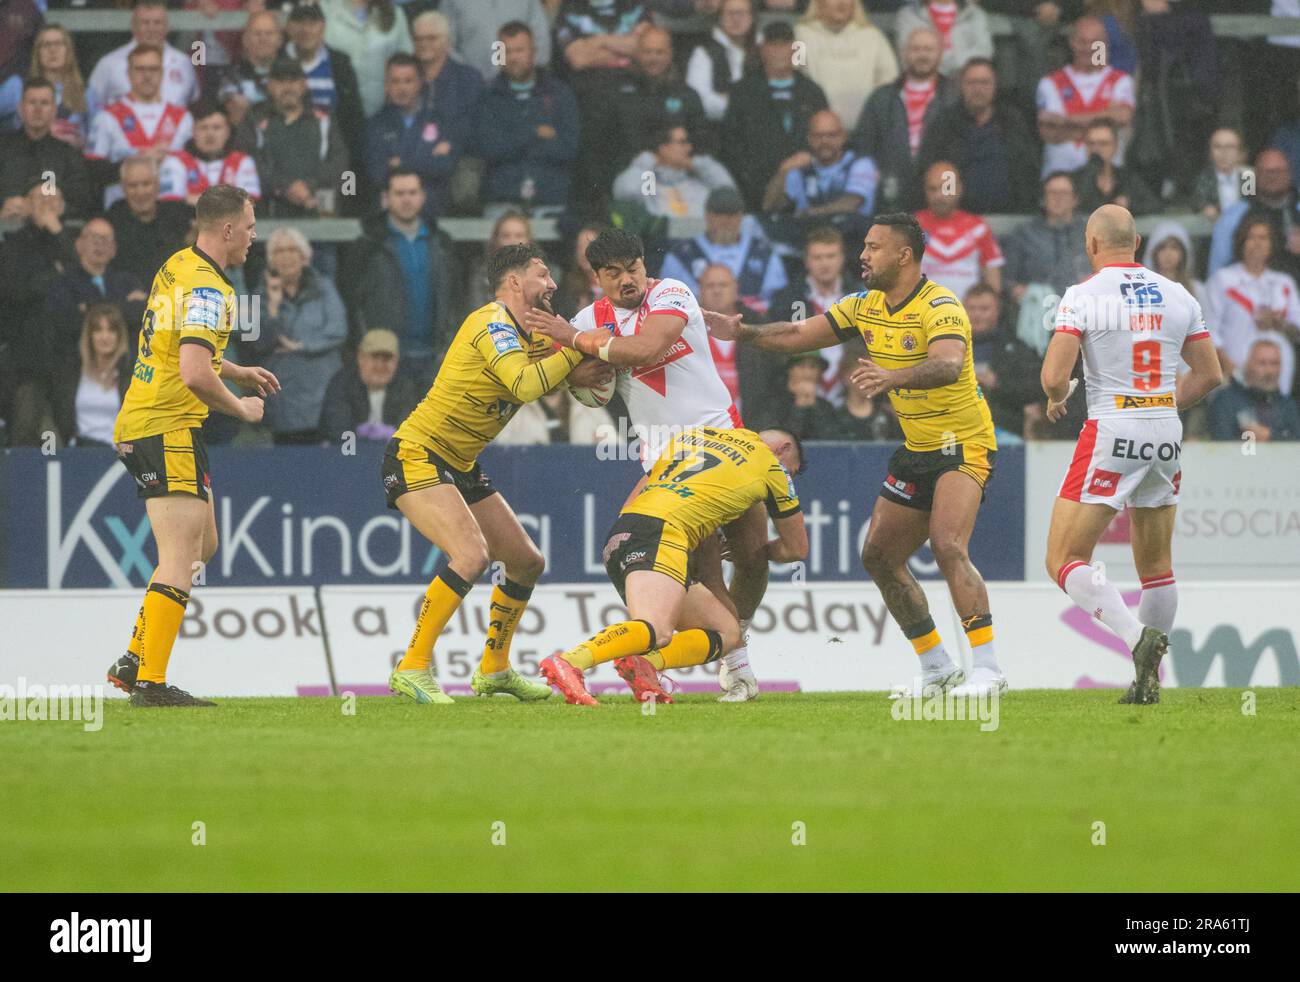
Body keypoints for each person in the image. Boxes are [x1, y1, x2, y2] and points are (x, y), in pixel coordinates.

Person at [703, 212, 1009, 696]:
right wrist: (744, 333)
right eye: (863, 246)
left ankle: (989, 670)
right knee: (879, 556)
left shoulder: (941, 305)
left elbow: (949, 364)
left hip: (964, 445)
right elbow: (800, 334)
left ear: (904, 255)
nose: (862, 256)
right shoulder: (865, 306)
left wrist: (894, 377)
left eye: (873, 247)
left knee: (948, 544)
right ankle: (936, 667)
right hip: (916, 448)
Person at [524, 228, 779, 703]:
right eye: (614, 273)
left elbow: (646, 349)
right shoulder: (587, 319)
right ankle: (734, 663)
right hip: (666, 462)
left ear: (645, 265)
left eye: (633, 268)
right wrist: (580, 369)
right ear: (596, 276)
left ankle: (727, 639)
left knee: (753, 557)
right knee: (703, 571)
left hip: (722, 441)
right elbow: (560, 377)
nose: (627, 280)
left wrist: (577, 339)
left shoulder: (671, 293)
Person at [380, 243, 613, 704]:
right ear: (514, 282)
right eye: (542, 275)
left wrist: (584, 365)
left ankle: (494, 668)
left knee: (527, 561)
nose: (551, 284)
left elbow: (561, 373)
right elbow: (526, 383)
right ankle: (411, 667)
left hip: (460, 464)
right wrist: (573, 346)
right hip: (417, 453)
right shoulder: (491, 323)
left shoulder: (535, 333)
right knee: (470, 556)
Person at [105, 185, 281, 707]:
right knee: (180, 555)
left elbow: (183, 347)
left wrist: (236, 368)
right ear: (226, 229)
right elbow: (192, 372)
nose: (254, 237)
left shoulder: (177, 266)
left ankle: (135, 658)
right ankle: (151, 684)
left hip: (150, 420)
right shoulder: (210, 289)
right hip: (166, 425)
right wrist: (241, 406)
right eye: (249, 227)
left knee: (203, 546)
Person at [1041, 203, 1223, 705]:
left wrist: (1057, 397)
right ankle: (1149, 679)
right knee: (1158, 567)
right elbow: (1210, 375)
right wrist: (1161, 404)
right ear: (1137, 243)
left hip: (1111, 425)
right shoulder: (1179, 294)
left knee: (1063, 558)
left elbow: (1055, 376)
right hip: (1165, 428)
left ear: (1092, 245)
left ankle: (1135, 638)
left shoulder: (1082, 296)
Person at [540, 426, 807, 706]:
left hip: (627, 532)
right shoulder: (773, 468)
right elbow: (796, 548)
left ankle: (644, 664)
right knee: (657, 629)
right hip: (661, 536)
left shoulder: (693, 436)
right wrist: (755, 551)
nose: (790, 477)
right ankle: (569, 661)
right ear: (784, 449)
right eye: (794, 471)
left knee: (726, 632)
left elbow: (656, 492)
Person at [343, 169, 457, 375]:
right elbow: (353, 303)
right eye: (400, 193)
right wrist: (366, 346)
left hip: (435, 357)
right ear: (386, 198)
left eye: (412, 193)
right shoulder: (368, 245)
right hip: (385, 358)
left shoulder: (442, 243)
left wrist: (449, 343)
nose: (407, 200)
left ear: (422, 196)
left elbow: (454, 297)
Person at [247, 227, 348, 444]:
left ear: (304, 256)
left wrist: (302, 346)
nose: (286, 256)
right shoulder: (258, 295)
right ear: (271, 260)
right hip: (283, 397)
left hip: (323, 392)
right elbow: (255, 341)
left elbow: (338, 330)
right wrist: (273, 307)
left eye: (292, 250)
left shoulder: (325, 287)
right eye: (279, 251)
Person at [721, 20, 829, 212]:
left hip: (807, 194)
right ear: (762, 50)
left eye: (785, 44)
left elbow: (827, 136)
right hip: (755, 195)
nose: (780, 51)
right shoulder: (743, 92)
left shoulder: (812, 92)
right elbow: (731, 146)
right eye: (774, 44)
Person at [476, 20, 581, 215]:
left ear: (533, 52)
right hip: (503, 199)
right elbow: (490, 148)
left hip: (551, 199)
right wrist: (535, 132)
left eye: (520, 50)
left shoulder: (560, 93)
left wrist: (512, 137)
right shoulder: (488, 96)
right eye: (508, 51)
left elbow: (569, 148)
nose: (514, 57)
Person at [918, 57, 1040, 214]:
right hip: (958, 220)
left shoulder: (1012, 121)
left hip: (1011, 216)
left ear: (995, 86)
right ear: (961, 86)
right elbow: (933, 171)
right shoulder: (944, 124)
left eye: (984, 83)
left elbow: (1028, 169)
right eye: (972, 83)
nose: (978, 89)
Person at [852, 25, 953, 212]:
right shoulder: (881, 97)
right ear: (904, 53)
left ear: (940, 53)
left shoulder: (955, 96)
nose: (922, 55)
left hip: (942, 190)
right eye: (916, 49)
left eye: (929, 49)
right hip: (891, 195)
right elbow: (863, 145)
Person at [234, 57, 348, 219]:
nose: (287, 88)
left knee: (328, 231)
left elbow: (339, 162)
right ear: (270, 86)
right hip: (270, 208)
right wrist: (285, 187)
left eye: (293, 81)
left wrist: (310, 187)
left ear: (304, 85)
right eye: (280, 81)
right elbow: (246, 161)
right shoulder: (254, 117)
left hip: (318, 204)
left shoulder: (325, 116)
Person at [86, 45, 194, 207]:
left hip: (171, 212)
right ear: (128, 74)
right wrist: (139, 161)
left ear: (162, 73)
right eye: (140, 69)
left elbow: (195, 169)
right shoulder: (107, 117)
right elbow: (92, 173)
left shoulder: (183, 118)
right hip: (122, 211)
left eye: (153, 69)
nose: (147, 76)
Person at [1204, 218, 1300, 392]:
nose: (1257, 243)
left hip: (1279, 380)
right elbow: (1208, 330)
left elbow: (1297, 329)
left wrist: (1280, 324)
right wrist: (1230, 370)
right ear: (1241, 242)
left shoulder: (1283, 282)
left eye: (1263, 238)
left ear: (1272, 244)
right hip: (1234, 377)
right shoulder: (1222, 279)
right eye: (1251, 237)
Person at [660, 186, 787, 315]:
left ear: (741, 217)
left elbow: (776, 298)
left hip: (752, 326)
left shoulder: (764, 253)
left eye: (731, 215)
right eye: (719, 215)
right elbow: (669, 301)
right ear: (707, 216)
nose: (725, 222)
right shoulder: (681, 255)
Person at [1035, 14, 1135, 177]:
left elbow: (1122, 117)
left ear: (1105, 45)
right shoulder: (1049, 83)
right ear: (1071, 42)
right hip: (1060, 178)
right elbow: (1050, 133)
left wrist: (1065, 120)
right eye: (1082, 41)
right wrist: (1105, 120)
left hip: (1107, 181)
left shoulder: (1121, 81)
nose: (1089, 48)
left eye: (1095, 43)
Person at [762, 109, 877, 247]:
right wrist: (783, 171)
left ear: (843, 137)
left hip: (852, 247)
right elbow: (770, 206)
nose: (825, 141)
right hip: (809, 249)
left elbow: (851, 203)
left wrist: (810, 213)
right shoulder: (800, 169)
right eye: (818, 136)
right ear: (809, 139)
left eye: (831, 135)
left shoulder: (861, 164)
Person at [363, 53, 459, 218]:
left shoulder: (441, 121)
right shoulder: (374, 125)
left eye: (408, 81)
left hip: (432, 214)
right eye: (395, 81)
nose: (402, 88)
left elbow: (446, 167)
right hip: (388, 217)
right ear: (386, 85)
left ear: (420, 83)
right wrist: (427, 157)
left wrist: (399, 163)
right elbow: (377, 175)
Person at [767, 226, 854, 403]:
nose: (825, 263)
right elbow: (774, 348)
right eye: (817, 257)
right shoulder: (787, 300)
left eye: (830, 256)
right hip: (799, 395)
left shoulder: (859, 297)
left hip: (850, 396)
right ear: (806, 261)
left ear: (842, 258)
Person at [284, 2, 366, 170]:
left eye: (312, 23)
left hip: (334, 154)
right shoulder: (278, 60)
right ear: (289, 27)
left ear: (322, 27)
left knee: (347, 189)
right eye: (300, 22)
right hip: (286, 154)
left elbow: (353, 115)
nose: (306, 30)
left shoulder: (340, 63)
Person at [795, 0, 898, 134]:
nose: (841, 3)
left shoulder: (873, 37)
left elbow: (890, 83)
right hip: (818, 135)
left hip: (865, 133)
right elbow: (793, 76)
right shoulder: (800, 36)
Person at [0, 77, 92, 222]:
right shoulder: (2, 148)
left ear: (54, 110)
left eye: (44, 103)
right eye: (32, 103)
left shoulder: (68, 154)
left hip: (51, 232)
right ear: (20, 109)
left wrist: (58, 207)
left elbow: (82, 201)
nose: (38, 109)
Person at [106, 157, 195, 299]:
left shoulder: (175, 214)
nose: (140, 192)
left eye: (146, 184)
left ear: (157, 185)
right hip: (131, 302)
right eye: (133, 186)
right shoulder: (112, 220)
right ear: (123, 188)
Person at [86, 0, 199, 112]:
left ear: (167, 27)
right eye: (145, 23)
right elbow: (90, 107)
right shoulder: (109, 64)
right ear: (133, 26)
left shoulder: (184, 62)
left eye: (157, 23)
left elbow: (194, 105)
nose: (151, 28)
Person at [915, 160, 1003, 300]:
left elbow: (993, 281)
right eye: (933, 189)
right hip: (923, 315)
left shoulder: (978, 228)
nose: (939, 195)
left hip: (969, 316)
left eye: (946, 188)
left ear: (959, 188)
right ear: (925, 191)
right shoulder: (911, 227)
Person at [1207, 149, 1300, 280]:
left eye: (1278, 171)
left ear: (1289, 174)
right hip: (1248, 295)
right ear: (1255, 175)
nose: (1273, 176)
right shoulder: (1235, 215)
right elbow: (1217, 270)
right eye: (1267, 172)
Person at [613, 123, 736, 220]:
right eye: (682, 143)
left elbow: (728, 192)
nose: (689, 148)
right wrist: (647, 161)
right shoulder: (648, 182)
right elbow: (625, 191)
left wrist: (698, 164)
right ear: (663, 147)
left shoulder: (699, 177)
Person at [320, 328, 422, 443]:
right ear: (360, 358)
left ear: (396, 361)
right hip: (350, 456)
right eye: (374, 358)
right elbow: (336, 431)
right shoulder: (341, 384)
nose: (379, 366)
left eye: (387, 359)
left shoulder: (407, 385)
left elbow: (411, 432)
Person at [1001, 171, 1091, 303]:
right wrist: (1017, 291)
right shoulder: (1023, 234)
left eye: (1064, 193)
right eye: (1052, 193)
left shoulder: (1091, 232)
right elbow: (1007, 279)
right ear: (1043, 199)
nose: (1058, 198)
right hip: (1036, 309)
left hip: (1083, 308)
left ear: (1075, 199)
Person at [52, 302, 132, 447]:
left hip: (119, 457)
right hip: (78, 455)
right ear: (89, 335)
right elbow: (62, 419)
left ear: (119, 336)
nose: (104, 337)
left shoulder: (129, 376)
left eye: (111, 330)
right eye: (98, 330)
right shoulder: (72, 374)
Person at [320, 0, 414, 117]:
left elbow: (405, 61)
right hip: (336, 111)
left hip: (382, 112)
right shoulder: (325, 9)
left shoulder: (396, 15)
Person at [158, 102, 261, 207]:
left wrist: (191, 198)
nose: (210, 134)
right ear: (193, 132)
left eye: (217, 128)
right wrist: (229, 202)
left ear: (228, 132)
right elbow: (172, 203)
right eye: (204, 127)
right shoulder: (175, 161)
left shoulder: (243, 161)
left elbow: (249, 204)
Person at [409, 10, 485, 150]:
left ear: (447, 40)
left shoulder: (469, 79)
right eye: (418, 39)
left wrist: (449, 144)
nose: (424, 44)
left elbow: (476, 125)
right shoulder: (405, 77)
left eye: (432, 38)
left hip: (460, 155)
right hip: (413, 154)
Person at [1207, 337, 1300, 442]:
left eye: (1274, 364)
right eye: (1262, 363)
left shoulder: (1287, 404)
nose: (1269, 371)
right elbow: (1220, 441)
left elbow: (1296, 442)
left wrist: (1270, 437)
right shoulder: (1226, 400)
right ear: (1247, 366)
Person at [685, 0, 757, 131]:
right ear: (719, 17)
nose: (736, 19)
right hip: (716, 134)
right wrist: (741, 104)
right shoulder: (703, 53)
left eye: (741, 13)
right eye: (730, 13)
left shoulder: (762, 49)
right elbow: (699, 101)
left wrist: (727, 99)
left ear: (752, 17)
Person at [441, 0, 553, 81]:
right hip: (474, 91)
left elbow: (541, 40)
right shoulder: (452, 2)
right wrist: (469, 77)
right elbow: (445, 45)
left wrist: (528, 77)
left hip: (521, 87)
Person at [207, 10, 283, 128]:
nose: (263, 39)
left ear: (280, 40)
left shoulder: (292, 74)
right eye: (257, 34)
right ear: (245, 40)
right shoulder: (230, 76)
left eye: (269, 33)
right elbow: (236, 117)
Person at [1071, 117, 1158, 215]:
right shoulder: (1074, 180)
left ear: (1115, 147)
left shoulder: (1127, 178)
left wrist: (1129, 205)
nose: (1095, 149)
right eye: (1091, 143)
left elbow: (1154, 205)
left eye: (1103, 144)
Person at [27, 25, 91, 150]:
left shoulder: (87, 92)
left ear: (68, 51)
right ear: (37, 52)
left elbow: (99, 139)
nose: (53, 50)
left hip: (72, 162)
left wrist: (80, 141)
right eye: (46, 45)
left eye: (59, 44)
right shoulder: (20, 90)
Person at [894, 0, 995, 79]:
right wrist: (957, 64)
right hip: (924, 87)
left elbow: (983, 54)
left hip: (964, 90)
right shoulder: (908, 16)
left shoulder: (976, 15)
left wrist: (937, 62)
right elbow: (907, 58)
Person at [830, 338, 904, 441]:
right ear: (846, 377)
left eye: (872, 374)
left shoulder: (888, 416)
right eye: (863, 374)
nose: (869, 380)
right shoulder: (834, 417)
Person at [466, 210, 532, 310]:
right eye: (506, 236)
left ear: (528, 241)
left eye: (519, 236)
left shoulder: (546, 278)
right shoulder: (481, 276)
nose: (513, 242)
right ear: (496, 240)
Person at [1190, 127, 1247, 220]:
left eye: (1230, 147)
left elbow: (1252, 205)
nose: (1223, 152)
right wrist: (1205, 208)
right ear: (1210, 153)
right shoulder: (1203, 179)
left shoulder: (1247, 176)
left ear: (1240, 153)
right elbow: (1197, 203)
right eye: (1217, 147)